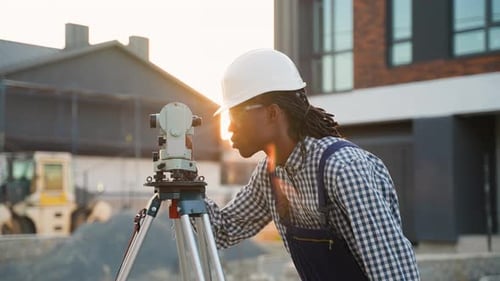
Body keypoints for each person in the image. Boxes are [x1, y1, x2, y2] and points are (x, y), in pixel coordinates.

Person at [206, 48, 420, 280]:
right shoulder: (270, 175)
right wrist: (186, 185)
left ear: (272, 113)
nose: (229, 127)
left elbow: (392, 272)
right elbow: (220, 232)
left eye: (235, 115)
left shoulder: (342, 168)